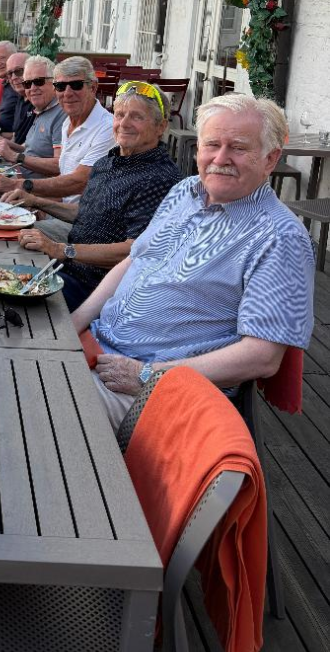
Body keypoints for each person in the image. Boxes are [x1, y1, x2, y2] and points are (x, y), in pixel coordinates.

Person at [69, 93, 315, 430]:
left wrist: (147, 375)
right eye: (212, 144)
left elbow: (262, 357)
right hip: (99, 346)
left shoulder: (279, 237)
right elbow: (134, 260)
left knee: (30, 404)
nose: (220, 158)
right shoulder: (185, 191)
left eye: (238, 148)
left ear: (270, 159)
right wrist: (75, 321)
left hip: (154, 388)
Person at [17, 81, 181, 311]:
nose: (124, 124)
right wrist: (34, 201)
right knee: (7, 259)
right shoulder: (109, 161)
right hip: (69, 269)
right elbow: (87, 213)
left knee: (15, 303)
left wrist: (61, 250)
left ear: (160, 126)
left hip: (98, 291)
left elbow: (134, 251)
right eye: (120, 115)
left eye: (136, 117)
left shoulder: (160, 179)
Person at [0, 57, 114, 222]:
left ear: (93, 87)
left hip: (85, 224)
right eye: (61, 86)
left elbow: (79, 182)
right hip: (60, 211)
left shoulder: (107, 128)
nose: (67, 93)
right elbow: (64, 177)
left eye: (76, 85)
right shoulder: (68, 122)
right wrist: (36, 204)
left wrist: (19, 185)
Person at [0, 55, 65, 183]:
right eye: (28, 83)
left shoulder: (61, 113)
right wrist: (6, 144)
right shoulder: (42, 109)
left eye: (39, 81)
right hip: (16, 176)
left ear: (54, 82)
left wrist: (14, 156)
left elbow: (60, 165)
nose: (32, 88)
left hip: (30, 187)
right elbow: (31, 151)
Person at [4, 51, 34, 144]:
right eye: (10, 74)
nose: (13, 77)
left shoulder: (38, 101)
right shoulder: (20, 98)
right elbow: (16, 135)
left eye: (19, 71)